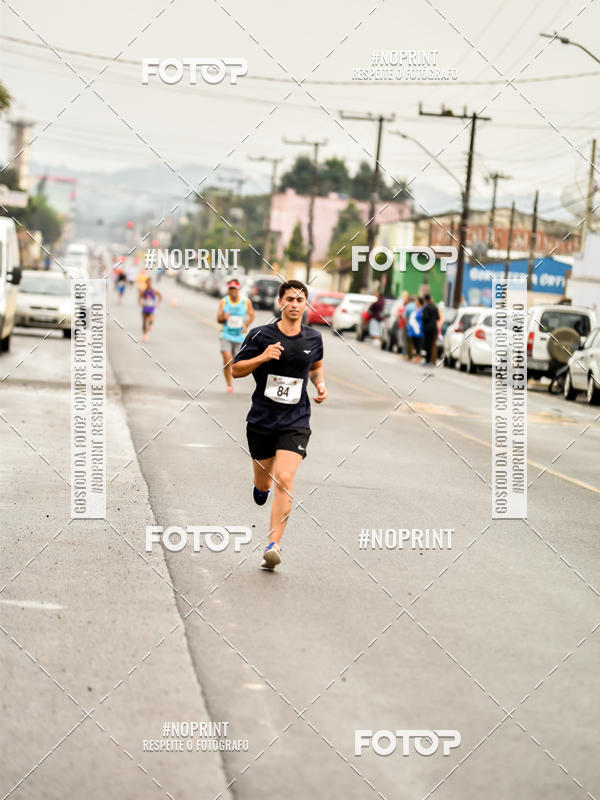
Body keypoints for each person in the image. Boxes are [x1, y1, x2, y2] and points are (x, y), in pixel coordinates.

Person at [232, 280, 327, 570]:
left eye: (300, 299)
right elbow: (235, 370)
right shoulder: (260, 335)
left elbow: (316, 367)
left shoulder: (313, 339)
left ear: (305, 304)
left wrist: (320, 384)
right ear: (280, 302)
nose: (295, 304)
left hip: (296, 421)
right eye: (290, 299)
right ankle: (260, 489)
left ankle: (273, 544)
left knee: (284, 479)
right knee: (264, 485)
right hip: (261, 420)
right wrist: (263, 356)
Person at [216, 279, 255, 393]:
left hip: (239, 336)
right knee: (227, 359)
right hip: (226, 334)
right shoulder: (224, 301)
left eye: (235, 289)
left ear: (239, 289)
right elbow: (218, 319)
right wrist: (224, 317)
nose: (233, 291)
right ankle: (229, 385)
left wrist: (245, 324)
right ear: (228, 290)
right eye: (231, 289)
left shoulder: (246, 302)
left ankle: (231, 377)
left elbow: (252, 315)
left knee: (237, 362)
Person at [139, 277, 162, 342]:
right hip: (145, 308)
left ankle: (149, 326)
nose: (149, 284)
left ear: (151, 283)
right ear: (146, 283)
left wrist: (158, 303)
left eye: (150, 282)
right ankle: (144, 334)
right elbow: (139, 298)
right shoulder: (143, 291)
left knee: (151, 319)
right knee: (144, 323)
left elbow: (160, 296)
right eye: (148, 282)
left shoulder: (154, 291)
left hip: (151, 308)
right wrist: (141, 303)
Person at [421, 293, 441, 365]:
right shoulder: (435, 307)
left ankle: (427, 360)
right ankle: (431, 360)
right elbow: (438, 318)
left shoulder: (426, 307)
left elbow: (425, 318)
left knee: (427, 344)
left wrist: (422, 316)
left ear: (426, 300)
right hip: (433, 328)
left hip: (427, 329)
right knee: (432, 344)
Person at [407, 296, 424, 362]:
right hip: (414, 329)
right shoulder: (416, 309)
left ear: (419, 302)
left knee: (419, 343)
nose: (415, 302)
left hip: (420, 328)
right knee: (415, 342)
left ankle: (418, 356)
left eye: (417, 301)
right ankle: (416, 356)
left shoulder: (422, 309)